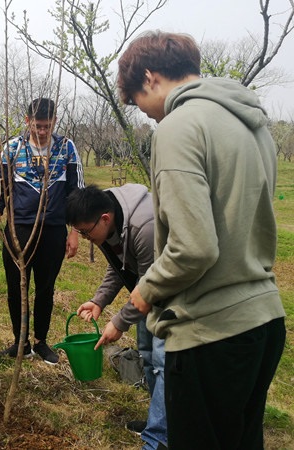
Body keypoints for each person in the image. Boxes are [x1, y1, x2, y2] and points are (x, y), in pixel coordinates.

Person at [118, 31, 286, 449]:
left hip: (211, 332)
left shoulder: (178, 126)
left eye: (136, 98)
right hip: (263, 320)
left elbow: (193, 247)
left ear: (150, 78)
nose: (144, 113)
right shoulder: (252, 124)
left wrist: (145, 292)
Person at [0, 98, 84, 365]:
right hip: (19, 230)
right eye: (38, 125)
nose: (42, 131)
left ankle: (40, 341)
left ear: (54, 123)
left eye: (48, 126)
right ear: (28, 121)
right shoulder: (13, 149)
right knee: (17, 288)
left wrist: (74, 231)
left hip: (53, 230)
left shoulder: (66, 148)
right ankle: (20, 342)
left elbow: (76, 193)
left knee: (45, 288)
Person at [66, 184, 167, 450]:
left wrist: (119, 323)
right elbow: (119, 266)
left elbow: (149, 284)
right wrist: (99, 301)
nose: (86, 238)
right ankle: (159, 422)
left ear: (105, 219)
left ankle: (160, 437)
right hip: (148, 290)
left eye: (86, 233)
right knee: (147, 352)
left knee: (163, 358)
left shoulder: (145, 226)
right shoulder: (106, 221)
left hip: (173, 293)